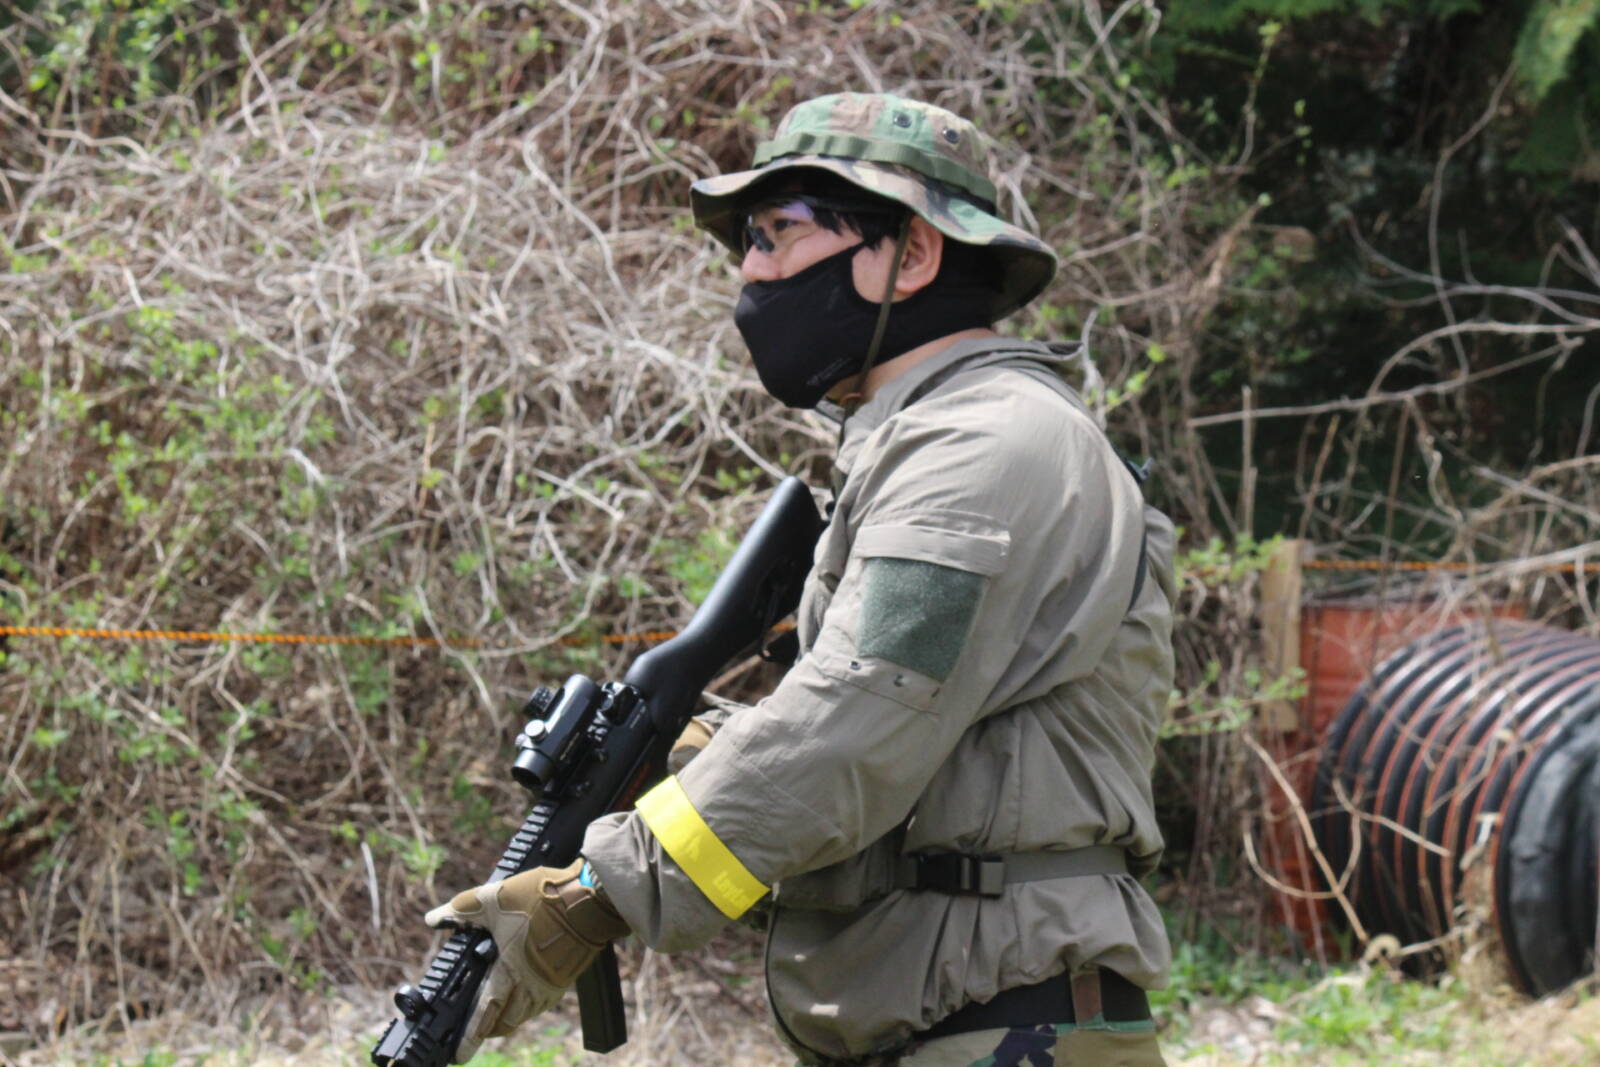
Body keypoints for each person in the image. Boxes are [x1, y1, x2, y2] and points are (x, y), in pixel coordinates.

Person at [426, 92, 1176, 1067]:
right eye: (749, 240)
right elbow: (920, 731)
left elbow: (855, 723)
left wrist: (601, 891)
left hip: (1007, 1027)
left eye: (778, 232)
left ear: (911, 252)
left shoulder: (985, 445)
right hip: (944, 1020)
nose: (752, 270)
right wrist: (700, 747)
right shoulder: (926, 441)